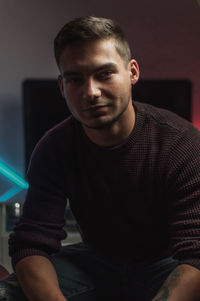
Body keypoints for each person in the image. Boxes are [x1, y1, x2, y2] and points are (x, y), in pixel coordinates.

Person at [4, 16, 200, 301]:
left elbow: (196, 254)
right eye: (75, 79)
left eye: (105, 74)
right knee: (8, 292)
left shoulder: (181, 144)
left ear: (132, 72)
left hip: (166, 264)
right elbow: (30, 244)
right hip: (94, 263)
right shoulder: (54, 148)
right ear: (62, 86)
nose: (91, 92)